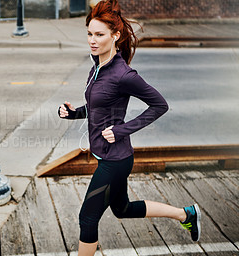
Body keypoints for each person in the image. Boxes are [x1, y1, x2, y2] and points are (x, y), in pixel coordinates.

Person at [57, 0, 201, 255]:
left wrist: (121, 130)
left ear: (116, 35)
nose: (92, 40)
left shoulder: (124, 75)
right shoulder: (97, 65)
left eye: (99, 35)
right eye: (89, 33)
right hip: (108, 155)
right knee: (122, 209)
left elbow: (159, 105)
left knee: (87, 219)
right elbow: (96, 108)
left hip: (115, 160)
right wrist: (72, 113)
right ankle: (185, 214)